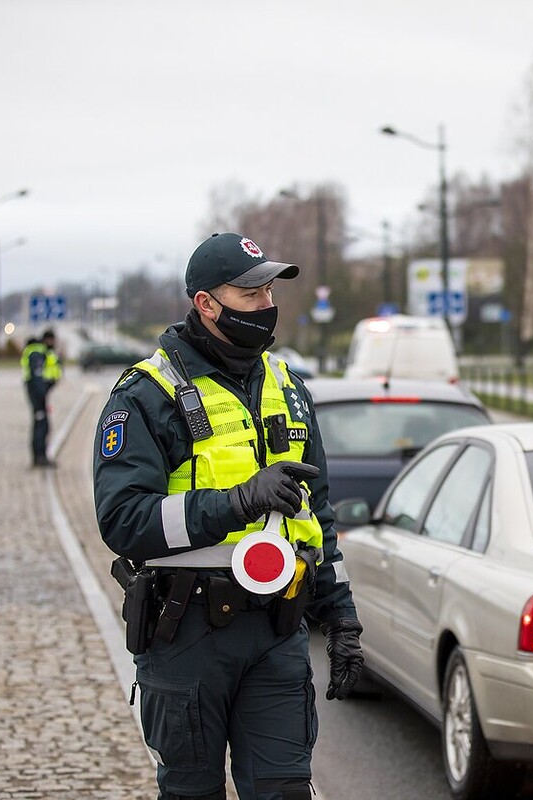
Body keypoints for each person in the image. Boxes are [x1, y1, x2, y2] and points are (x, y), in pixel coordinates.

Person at [92, 232, 364, 800]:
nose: (267, 305)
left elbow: (317, 514)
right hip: (186, 630)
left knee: (285, 790)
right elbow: (123, 520)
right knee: (192, 792)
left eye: (269, 291)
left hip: (276, 630)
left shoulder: (289, 387)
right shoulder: (148, 394)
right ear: (205, 304)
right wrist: (237, 502)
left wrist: (341, 619)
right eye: (250, 294)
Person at [20, 329, 62, 467]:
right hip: (37, 395)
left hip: (39, 395)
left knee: (43, 425)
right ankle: (39, 458)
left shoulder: (40, 351)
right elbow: (36, 377)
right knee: (41, 425)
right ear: (47, 340)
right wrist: (42, 394)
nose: (54, 343)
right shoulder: (37, 353)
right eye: (52, 340)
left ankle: (41, 456)